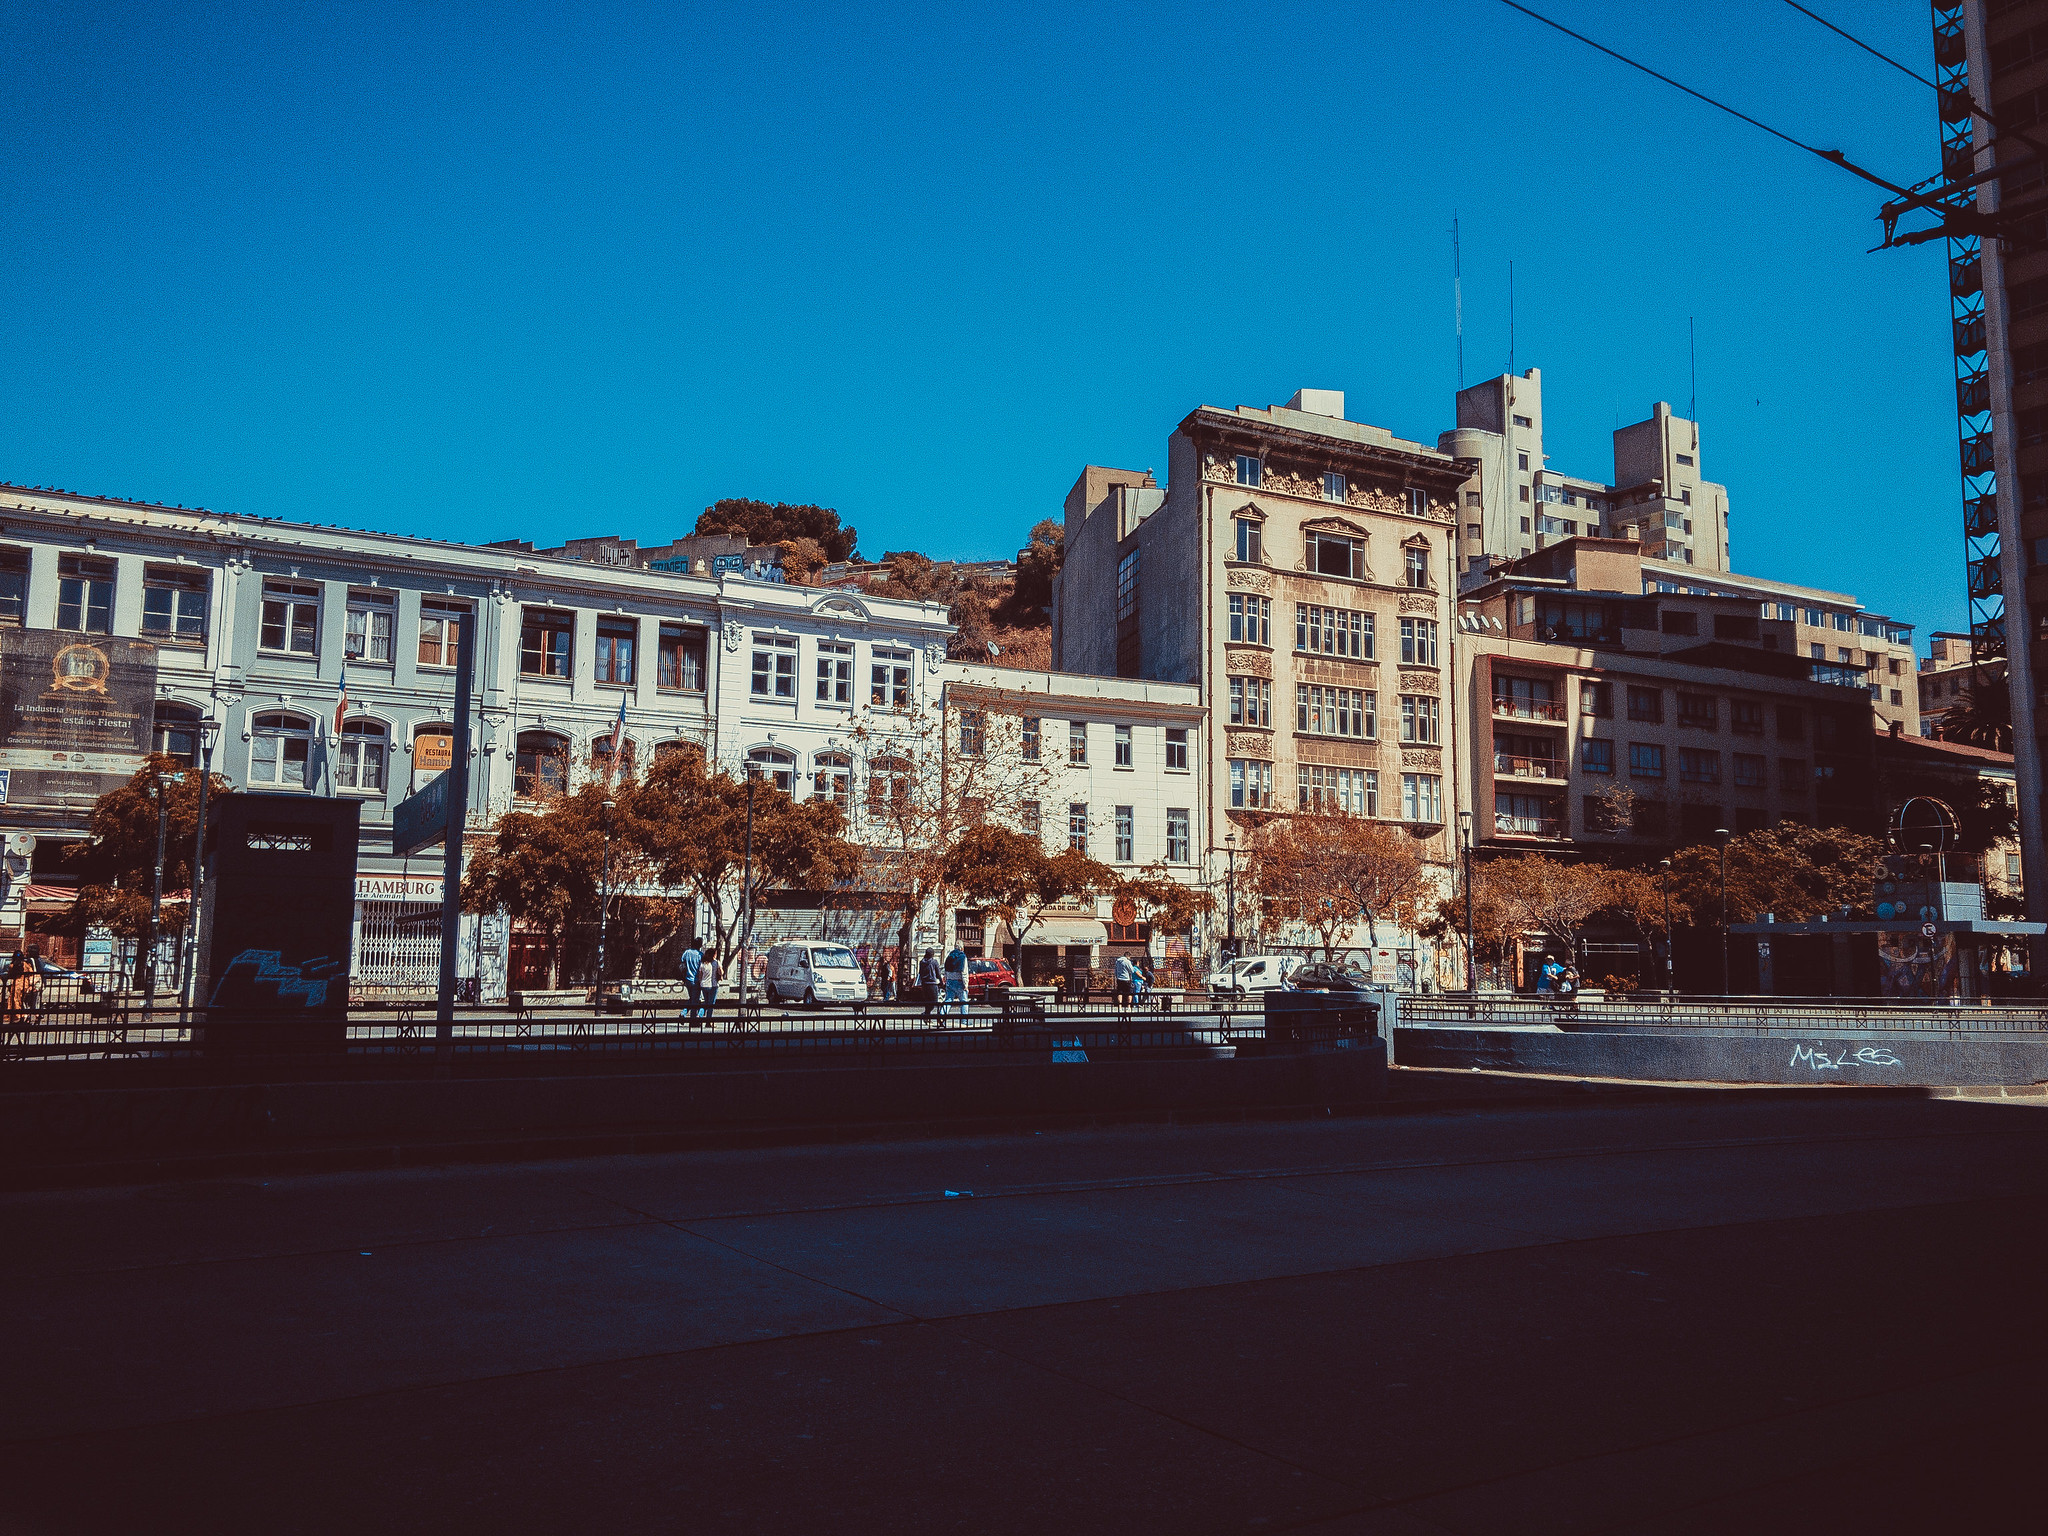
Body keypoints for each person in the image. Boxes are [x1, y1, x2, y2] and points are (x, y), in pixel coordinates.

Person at [678, 940, 702, 1025]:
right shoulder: (700, 955)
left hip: (687, 979)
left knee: (692, 998)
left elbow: (682, 962)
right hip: (696, 980)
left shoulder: (686, 952)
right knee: (695, 1001)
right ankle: (693, 1020)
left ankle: (683, 1014)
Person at [943, 943, 968, 1022]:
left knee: (948, 1000)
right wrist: (966, 984)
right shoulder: (962, 957)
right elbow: (964, 972)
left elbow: (946, 970)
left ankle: (941, 1016)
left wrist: (947, 979)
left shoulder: (949, 956)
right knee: (964, 1002)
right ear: (961, 948)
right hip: (959, 982)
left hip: (950, 981)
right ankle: (964, 1021)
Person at [918, 949, 942, 1023]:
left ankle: (927, 1017)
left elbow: (920, 973)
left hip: (924, 984)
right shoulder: (934, 962)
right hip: (932, 984)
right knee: (934, 1001)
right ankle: (925, 1014)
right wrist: (941, 982)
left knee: (927, 1001)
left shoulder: (921, 962)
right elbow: (938, 974)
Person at [696, 951, 721, 1025]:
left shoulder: (703, 964)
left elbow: (700, 975)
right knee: (710, 1004)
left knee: (706, 1003)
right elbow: (721, 972)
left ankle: (700, 1015)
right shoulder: (715, 963)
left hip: (703, 985)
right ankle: (708, 1021)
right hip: (712, 985)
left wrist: (700, 983)